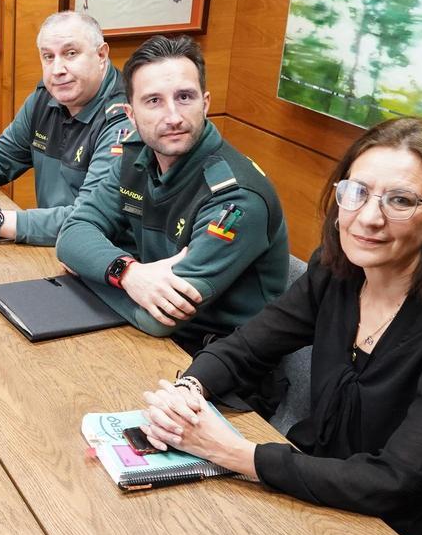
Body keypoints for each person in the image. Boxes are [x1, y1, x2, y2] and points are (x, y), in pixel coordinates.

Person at [139, 117, 422, 535]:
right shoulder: (335, 272)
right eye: (357, 192)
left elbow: (395, 482)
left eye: (399, 201)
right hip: (303, 500)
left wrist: (235, 454)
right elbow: (247, 347)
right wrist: (189, 389)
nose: (369, 216)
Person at [57, 34, 289, 362]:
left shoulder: (236, 200)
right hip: (141, 340)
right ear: (130, 114)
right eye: (153, 101)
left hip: (218, 374)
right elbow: (72, 233)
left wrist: (88, 270)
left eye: (185, 97)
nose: (173, 116)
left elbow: (159, 318)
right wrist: (127, 273)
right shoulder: (138, 154)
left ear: (205, 103)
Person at [0, 11, 130, 246]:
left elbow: (86, 219)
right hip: (54, 245)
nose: (57, 69)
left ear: (101, 55)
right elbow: (1, 158)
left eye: (71, 53)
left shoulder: (123, 122)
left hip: (105, 257)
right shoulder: (45, 98)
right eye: (48, 57)